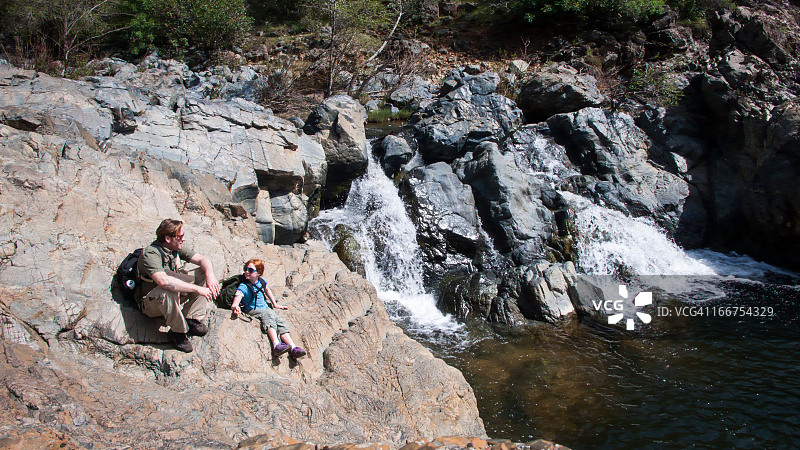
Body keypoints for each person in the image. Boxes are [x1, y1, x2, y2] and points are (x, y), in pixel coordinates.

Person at [136, 219, 220, 352]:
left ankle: (191, 318)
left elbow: (203, 259)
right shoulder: (150, 253)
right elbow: (163, 282)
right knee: (166, 290)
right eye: (180, 237)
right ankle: (178, 332)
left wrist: (210, 275)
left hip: (172, 296)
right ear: (168, 238)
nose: (184, 239)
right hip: (152, 302)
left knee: (203, 273)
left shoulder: (174, 248)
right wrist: (198, 289)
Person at [231, 258, 306, 359]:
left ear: (259, 273)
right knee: (268, 316)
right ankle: (276, 345)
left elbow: (267, 290)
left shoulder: (262, 281)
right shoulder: (244, 286)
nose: (246, 272)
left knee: (280, 321)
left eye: (250, 270)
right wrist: (235, 306)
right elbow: (237, 298)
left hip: (264, 307)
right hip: (252, 309)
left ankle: (293, 348)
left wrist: (275, 304)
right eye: (245, 269)